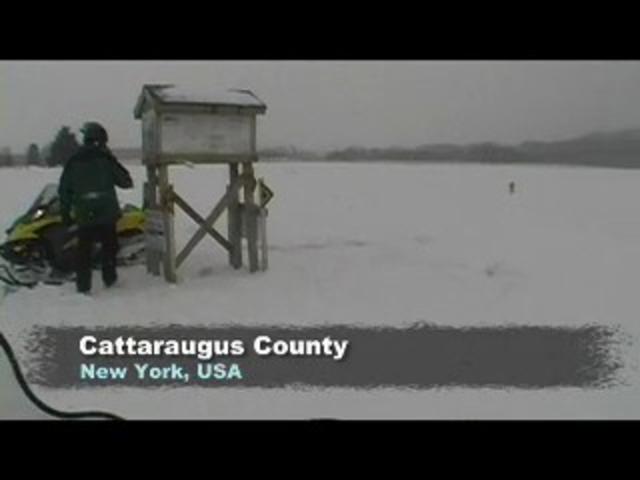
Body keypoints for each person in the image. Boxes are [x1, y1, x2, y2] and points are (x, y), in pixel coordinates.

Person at [58, 122, 133, 294]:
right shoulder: (105, 159)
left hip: (85, 215)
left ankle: (83, 286)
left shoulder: (73, 161)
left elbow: (64, 190)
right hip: (107, 214)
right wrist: (111, 159)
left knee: (83, 251)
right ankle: (110, 280)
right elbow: (126, 181)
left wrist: (65, 213)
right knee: (109, 248)